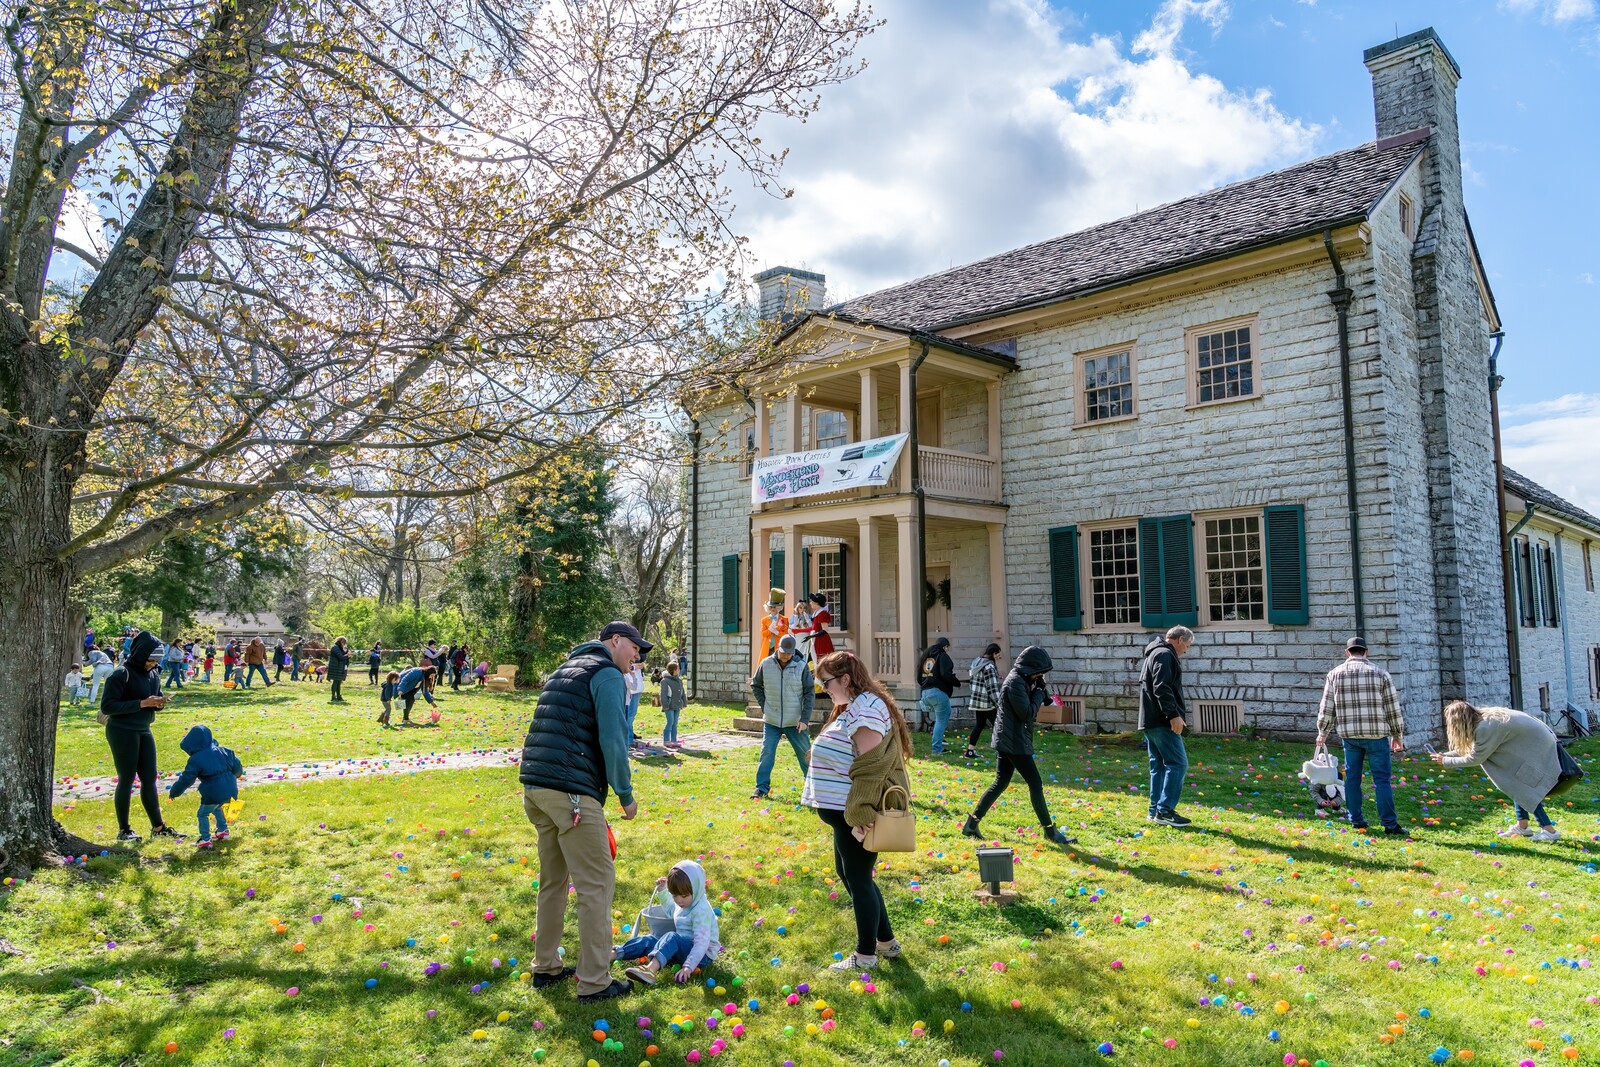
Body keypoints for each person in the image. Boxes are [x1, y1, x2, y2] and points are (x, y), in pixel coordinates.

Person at [518, 621, 646, 1003]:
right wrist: (625, 794)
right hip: (571, 794)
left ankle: (546, 966)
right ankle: (594, 981)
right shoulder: (606, 674)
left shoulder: (565, 669)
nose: (638, 656)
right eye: (635, 647)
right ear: (615, 641)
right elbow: (614, 739)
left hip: (537, 789)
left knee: (553, 880)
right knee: (596, 884)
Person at [803, 650, 911, 973]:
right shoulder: (855, 706)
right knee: (852, 875)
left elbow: (871, 768)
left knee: (860, 879)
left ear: (846, 680)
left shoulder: (865, 708)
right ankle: (887, 943)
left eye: (827, 682)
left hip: (855, 816)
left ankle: (865, 957)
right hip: (844, 815)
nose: (824, 688)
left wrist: (860, 816)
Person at [961, 646, 1075, 845]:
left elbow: (1037, 703)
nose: (1041, 677)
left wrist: (1040, 690)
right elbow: (1027, 713)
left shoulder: (1021, 680)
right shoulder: (1015, 683)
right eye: (1039, 673)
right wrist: (1039, 692)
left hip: (1010, 739)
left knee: (1000, 783)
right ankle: (1050, 832)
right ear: (1031, 670)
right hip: (1014, 742)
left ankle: (971, 824)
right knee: (1035, 784)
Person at [1315, 636, 1407, 835]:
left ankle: (1356, 820)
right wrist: (1397, 734)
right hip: (1377, 735)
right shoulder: (1381, 674)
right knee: (1382, 780)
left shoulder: (1334, 674)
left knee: (1352, 779)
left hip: (1350, 735)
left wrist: (1323, 732)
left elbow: (1327, 707)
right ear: (1366, 651)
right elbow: (1392, 708)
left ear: (1347, 652)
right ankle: (1390, 824)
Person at [1431, 701, 1562, 841]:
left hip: (1537, 746)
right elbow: (1476, 747)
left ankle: (1549, 831)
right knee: (1517, 783)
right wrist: (1446, 755)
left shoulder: (1486, 728)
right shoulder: (1484, 718)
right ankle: (1522, 826)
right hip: (1535, 740)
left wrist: (1446, 762)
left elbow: (1476, 758)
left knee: (1526, 788)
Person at [100, 630, 182, 842]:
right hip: (122, 730)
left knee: (149, 778)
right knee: (126, 779)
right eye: (150, 660)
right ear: (139, 654)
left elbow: (152, 700)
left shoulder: (154, 673)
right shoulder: (121, 674)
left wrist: (158, 703)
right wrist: (142, 703)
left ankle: (158, 827)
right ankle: (124, 829)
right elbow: (108, 706)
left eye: (156, 660)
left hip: (144, 729)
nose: (153, 664)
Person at [617, 860, 721, 987]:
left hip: (702, 956)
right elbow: (672, 911)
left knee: (672, 937)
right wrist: (663, 891)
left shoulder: (701, 910)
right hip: (683, 949)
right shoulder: (684, 903)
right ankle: (615, 953)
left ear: (697, 888)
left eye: (683, 896)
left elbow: (702, 943)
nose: (679, 901)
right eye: (674, 896)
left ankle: (650, 970)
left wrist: (688, 967)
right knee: (651, 940)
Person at [1140, 625, 1194, 827]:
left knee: (1159, 766)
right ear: (1179, 640)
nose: (1186, 650)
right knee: (1178, 764)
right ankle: (1165, 811)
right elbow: (1161, 687)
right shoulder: (1164, 654)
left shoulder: (1154, 653)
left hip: (1150, 720)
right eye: (1187, 645)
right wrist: (1173, 715)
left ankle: (1155, 810)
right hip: (1162, 721)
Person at [750, 634, 813, 799]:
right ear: (778, 648)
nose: (785, 656)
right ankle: (761, 788)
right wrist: (765, 707)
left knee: (805, 756)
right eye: (783, 652)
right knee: (766, 754)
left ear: (793, 652)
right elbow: (756, 685)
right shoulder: (766, 664)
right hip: (772, 720)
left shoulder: (801, 666)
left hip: (796, 722)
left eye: (788, 653)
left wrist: (804, 720)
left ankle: (813, 789)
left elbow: (809, 693)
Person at [167, 724, 245, 847]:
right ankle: (223, 831)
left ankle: (205, 839)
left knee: (203, 813)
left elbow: (187, 779)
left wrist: (174, 792)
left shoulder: (196, 759)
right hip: (231, 788)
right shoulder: (225, 751)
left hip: (213, 791)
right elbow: (237, 768)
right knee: (217, 807)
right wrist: (232, 778)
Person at [917, 636, 960, 753]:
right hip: (938, 692)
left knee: (939, 718)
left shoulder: (926, 657)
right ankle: (937, 748)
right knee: (942, 719)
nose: (947, 650)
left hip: (925, 693)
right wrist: (956, 682)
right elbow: (946, 674)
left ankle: (939, 740)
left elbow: (918, 678)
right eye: (948, 648)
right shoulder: (943, 656)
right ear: (945, 646)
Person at [963, 642, 1002, 759]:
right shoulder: (989, 666)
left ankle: (970, 751)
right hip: (987, 703)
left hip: (977, 701)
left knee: (980, 725)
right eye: (998, 654)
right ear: (994, 653)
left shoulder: (976, 662)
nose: (999, 657)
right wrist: (999, 703)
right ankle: (1001, 752)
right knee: (999, 726)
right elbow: (992, 688)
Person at [789, 592, 835, 660]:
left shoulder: (822, 614)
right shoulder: (817, 613)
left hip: (821, 640)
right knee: (814, 659)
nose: (810, 603)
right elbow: (813, 628)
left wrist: (812, 636)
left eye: (811, 601)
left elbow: (825, 630)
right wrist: (798, 630)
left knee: (821, 659)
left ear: (816, 603)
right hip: (816, 639)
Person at [660, 660, 687, 748]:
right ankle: (666, 740)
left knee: (675, 723)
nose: (679, 669)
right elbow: (663, 695)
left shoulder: (679, 680)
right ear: (674, 670)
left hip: (677, 704)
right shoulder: (665, 681)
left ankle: (674, 740)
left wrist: (684, 702)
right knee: (670, 722)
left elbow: (682, 692)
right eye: (678, 668)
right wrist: (665, 705)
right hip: (669, 705)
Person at [758, 588, 788, 665]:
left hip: (778, 647)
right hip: (767, 647)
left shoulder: (784, 619)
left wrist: (776, 632)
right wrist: (770, 630)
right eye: (771, 607)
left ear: (778, 608)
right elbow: (763, 634)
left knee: (778, 664)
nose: (773, 609)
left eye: (774, 607)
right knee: (766, 664)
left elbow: (786, 634)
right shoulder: (764, 620)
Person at [623, 657, 645, 747]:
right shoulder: (624, 658)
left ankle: (630, 736)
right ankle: (629, 740)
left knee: (631, 715)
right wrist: (634, 667)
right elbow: (624, 667)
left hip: (637, 688)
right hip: (631, 689)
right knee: (629, 716)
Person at [327, 636, 351, 703]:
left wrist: (347, 654)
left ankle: (338, 696)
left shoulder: (339, 648)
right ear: (340, 641)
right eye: (343, 642)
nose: (344, 644)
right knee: (335, 682)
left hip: (339, 667)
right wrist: (347, 655)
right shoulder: (335, 647)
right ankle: (333, 696)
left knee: (339, 682)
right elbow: (341, 657)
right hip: (335, 667)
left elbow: (343, 655)